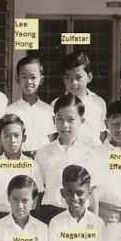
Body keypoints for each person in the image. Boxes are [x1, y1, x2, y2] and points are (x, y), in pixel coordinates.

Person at [35, 94, 101, 224]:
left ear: (81, 121)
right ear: (54, 120)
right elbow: (38, 192)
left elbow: (93, 193)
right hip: (50, 213)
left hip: (80, 214)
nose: (65, 125)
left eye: (71, 120)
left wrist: (94, 223)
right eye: (60, 119)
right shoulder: (43, 152)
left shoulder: (90, 153)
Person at [0, 113, 43, 224]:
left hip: (25, 220)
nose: (12, 140)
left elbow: (37, 202)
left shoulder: (32, 165)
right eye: (7, 136)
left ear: (24, 138)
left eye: (16, 135)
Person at [5, 54, 54, 154]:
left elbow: (53, 140)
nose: (28, 81)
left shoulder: (49, 111)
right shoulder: (10, 111)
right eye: (24, 77)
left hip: (44, 160)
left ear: (41, 80)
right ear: (17, 79)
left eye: (33, 77)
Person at [62, 51, 106, 145]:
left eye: (78, 77)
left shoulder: (98, 103)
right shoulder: (57, 104)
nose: (73, 82)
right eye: (68, 77)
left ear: (89, 77)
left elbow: (102, 135)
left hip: (92, 154)